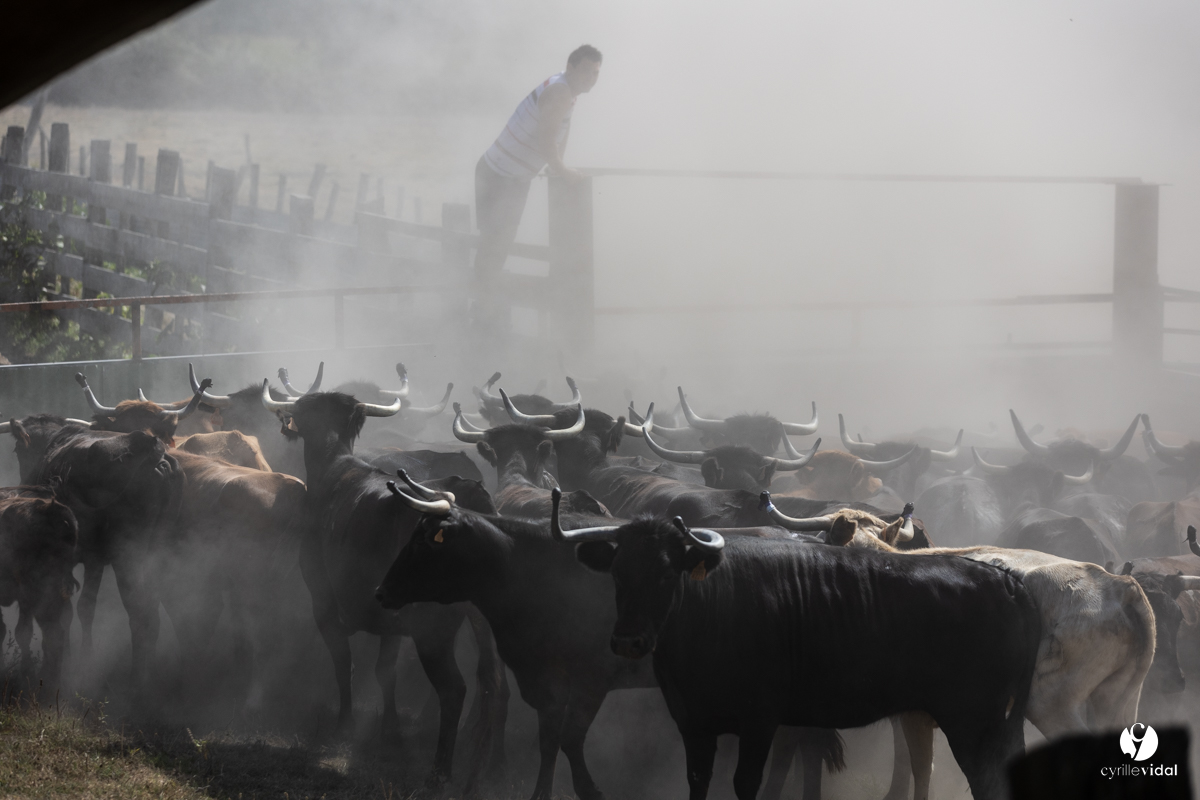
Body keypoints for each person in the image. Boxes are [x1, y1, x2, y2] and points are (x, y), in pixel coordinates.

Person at [472, 45, 602, 328]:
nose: (591, 78)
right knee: (495, 245)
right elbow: (546, 143)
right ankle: (481, 315)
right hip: (500, 176)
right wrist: (563, 172)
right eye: (586, 71)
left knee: (496, 245)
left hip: (509, 177)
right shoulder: (560, 92)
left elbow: (558, 135)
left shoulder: (567, 93)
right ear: (570, 67)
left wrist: (561, 166)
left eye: (595, 73)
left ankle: (483, 311)